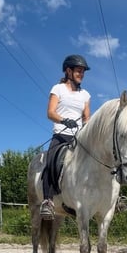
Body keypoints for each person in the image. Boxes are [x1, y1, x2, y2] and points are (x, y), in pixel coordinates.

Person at [39, 54, 92, 219]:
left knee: (100, 157)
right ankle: (48, 201)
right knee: (52, 160)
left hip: (79, 137)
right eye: (78, 71)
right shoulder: (58, 89)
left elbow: (86, 118)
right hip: (61, 135)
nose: (81, 74)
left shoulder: (86, 95)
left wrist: (87, 129)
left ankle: (112, 199)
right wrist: (64, 120)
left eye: (83, 71)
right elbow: (50, 112)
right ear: (68, 71)